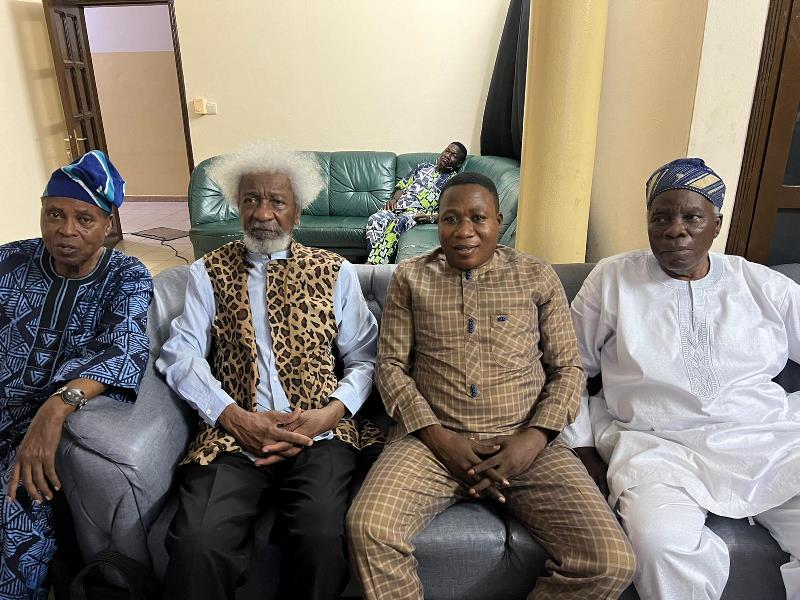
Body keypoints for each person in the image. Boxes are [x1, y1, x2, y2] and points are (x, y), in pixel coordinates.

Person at [348, 172, 636, 600]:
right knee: (368, 528)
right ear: (437, 224)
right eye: (450, 219)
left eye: (477, 218)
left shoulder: (536, 276)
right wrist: (440, 439)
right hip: (430, 443)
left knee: (610, 561)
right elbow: (390, 367)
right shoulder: (411, 277)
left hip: (526, 443)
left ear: (498, 222)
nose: (464, 231)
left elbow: (568, 369)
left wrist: (534, 439)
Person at [561, 158, 800, 600]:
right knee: (657, 543)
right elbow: (567, 367)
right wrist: (582, 446)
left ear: (716, 225)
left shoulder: (761, 285)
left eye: (692, 218)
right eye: (661, 218)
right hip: (657, 447)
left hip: (764, 440)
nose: (675, 231)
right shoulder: (613, 279)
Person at [157, 142, 381, 600]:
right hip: (234, 433)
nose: (263, 214)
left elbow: (366, 357)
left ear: (297, 211)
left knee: (321, 538)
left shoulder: (334, 271)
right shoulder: (207, 273)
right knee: (198, 543)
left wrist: (331, 413)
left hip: (319, 433)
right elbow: (181, 354)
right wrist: (232, 415)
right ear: (237, 207)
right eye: (251, 200)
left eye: (277, 201)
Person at [0, 150, 152, 600]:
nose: (67, 230)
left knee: (14, 512)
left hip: (33, 428)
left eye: (84, 219)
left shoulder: (125, 275)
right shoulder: (10, 261)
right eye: (55, 214)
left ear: (107, 225)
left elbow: (125, 347)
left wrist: (56, 407)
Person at [365, 141, 467, 264]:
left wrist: (430, 217)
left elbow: (451, 212)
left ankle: (372, 265)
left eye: (453, 155)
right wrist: (394, 199)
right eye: (447, 151)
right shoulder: (423, 167)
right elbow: (402, 187)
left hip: (415, 214)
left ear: (459, 163)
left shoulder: (453, 182)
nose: (447, 155)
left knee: (399, 222)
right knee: (375, 219)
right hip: (398, 208)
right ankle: (379, 267)